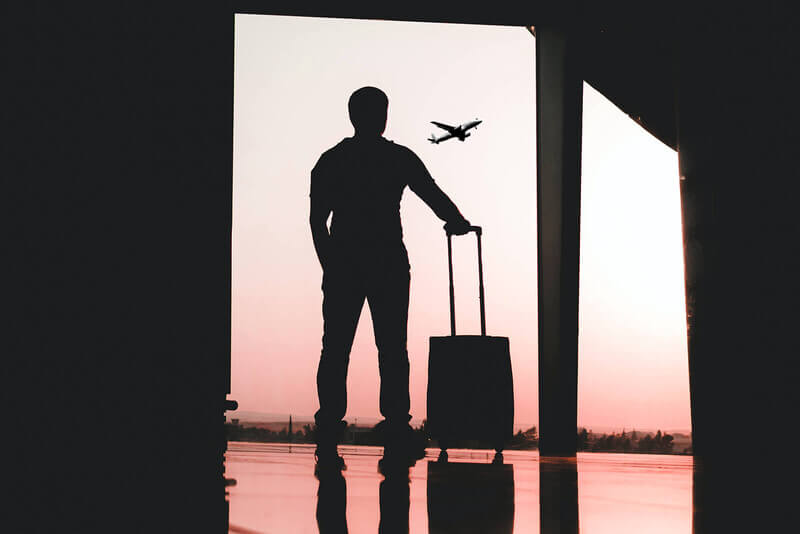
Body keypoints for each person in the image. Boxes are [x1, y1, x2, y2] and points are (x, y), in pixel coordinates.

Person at [310, 86, 471, 469]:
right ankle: (396, 426)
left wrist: (329, 264)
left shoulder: (332, 161)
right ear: (383, 116)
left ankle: (329, 429)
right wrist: (457, 220)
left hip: (345, 263)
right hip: (387, 263)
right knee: (393, 350)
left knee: (335, 350)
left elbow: (318, 221)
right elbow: (430, 192)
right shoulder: (397, 157)